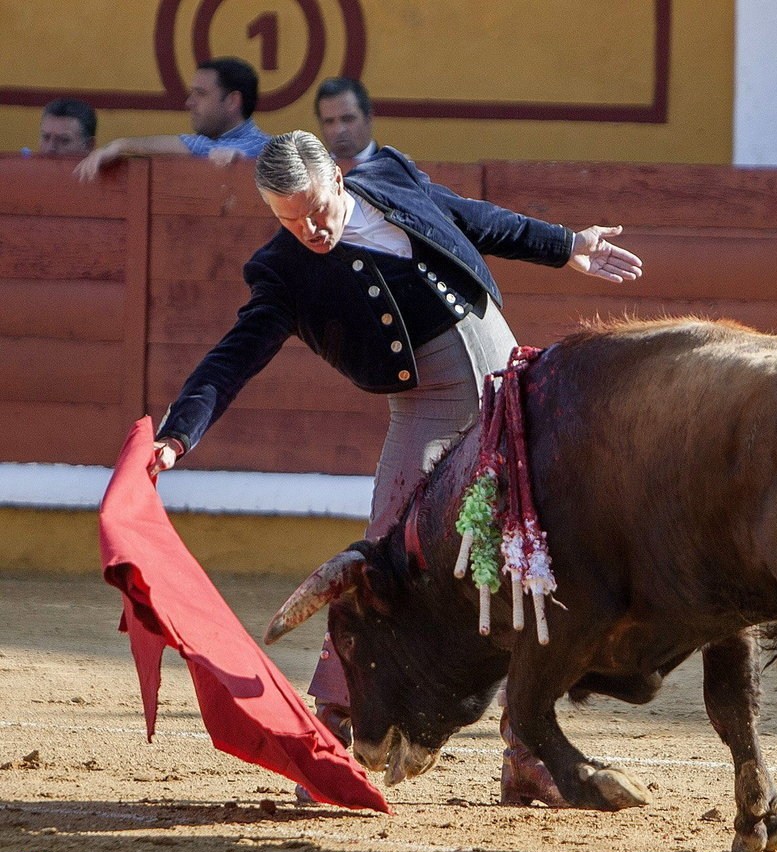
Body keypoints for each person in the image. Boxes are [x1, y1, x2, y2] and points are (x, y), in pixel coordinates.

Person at [147, 130, 642, 802]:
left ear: (340, 182)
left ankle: (525, 746)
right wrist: (178, 434)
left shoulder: (391, 177)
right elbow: (234, 356)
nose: (311, 229)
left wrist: (567, 245)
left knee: (530, 567)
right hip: (433, 416)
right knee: (379, 570)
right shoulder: (283, 271)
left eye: (317, 208)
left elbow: (472, 218)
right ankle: (331, 735)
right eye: (290, 220)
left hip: (512, 396)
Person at [74, 57, 269, 181]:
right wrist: (120, 145)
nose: (189, 103)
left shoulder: (262, 147)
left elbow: (237, 153)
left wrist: (121, 146)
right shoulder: (209, 143)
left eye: (200, 94)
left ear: (232, 101)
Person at [314, 77, 377, 171]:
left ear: (368, 118)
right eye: (329, 121)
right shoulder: (311, 176)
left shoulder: (397, 172)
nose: (339, 130)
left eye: (348, 119)